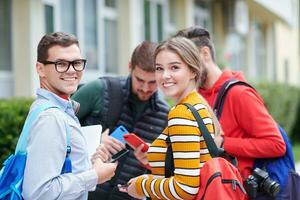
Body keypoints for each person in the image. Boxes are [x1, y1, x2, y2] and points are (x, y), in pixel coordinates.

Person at [175, 27, 286, 198]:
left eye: (188, 61)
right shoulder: (194, 96)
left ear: (205, 53)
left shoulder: (239, 94)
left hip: (235, 192)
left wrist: (223, 143)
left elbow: (276, 144)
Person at [118, 37, 222, 199]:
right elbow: (189, 163)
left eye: (174, 67)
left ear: (193, 71)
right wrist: (153, 154)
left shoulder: (181, 113)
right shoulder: (198, 105)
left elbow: (186, 188)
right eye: (159, 68)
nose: (165, 75)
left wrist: (142, 185)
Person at [22, 32, 117, 200]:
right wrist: (95, 176)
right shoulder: (51, 118)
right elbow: (38, 193)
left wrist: (91, 162)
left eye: (77, 63)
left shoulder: (58, 110)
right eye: (61, 64)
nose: (72, 70)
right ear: (40, 69)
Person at [71, 41, 170, 200]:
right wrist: (93, 140)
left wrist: (154, 160)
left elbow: (164, 177)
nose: (145, 88)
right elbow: (57, 130)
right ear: (130, 67)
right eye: (140, 80)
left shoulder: (166, 115)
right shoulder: (99, 89)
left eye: (152, 82)